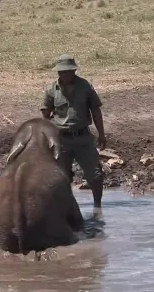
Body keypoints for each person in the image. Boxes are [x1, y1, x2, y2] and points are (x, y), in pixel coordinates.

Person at [40, 54, 107, 209]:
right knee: (62, 177)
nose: (63, 74)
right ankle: (66, 208)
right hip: (61, 140)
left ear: (73, 71)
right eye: (61, 72)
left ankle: (98, 206)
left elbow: (96, 110)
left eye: (67, 71)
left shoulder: (85, 86)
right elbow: (45, 114)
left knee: (95, 175)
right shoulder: (51, 90)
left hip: (83, 138)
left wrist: (101, 134)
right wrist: (48, 137)